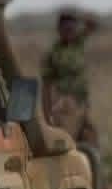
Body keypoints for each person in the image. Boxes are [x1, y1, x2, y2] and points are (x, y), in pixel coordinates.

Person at [41, 10, 99, 146]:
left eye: (72, 29)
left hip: (82, 103)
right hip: (64, 105)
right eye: (65, 29)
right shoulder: (54, 53)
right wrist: (47, 113)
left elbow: (93, 25)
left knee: (90, 139)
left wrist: (79, 18)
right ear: (59, 30)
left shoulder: (78, 44)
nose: (69, 32)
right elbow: (46, 85)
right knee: (68, 142)